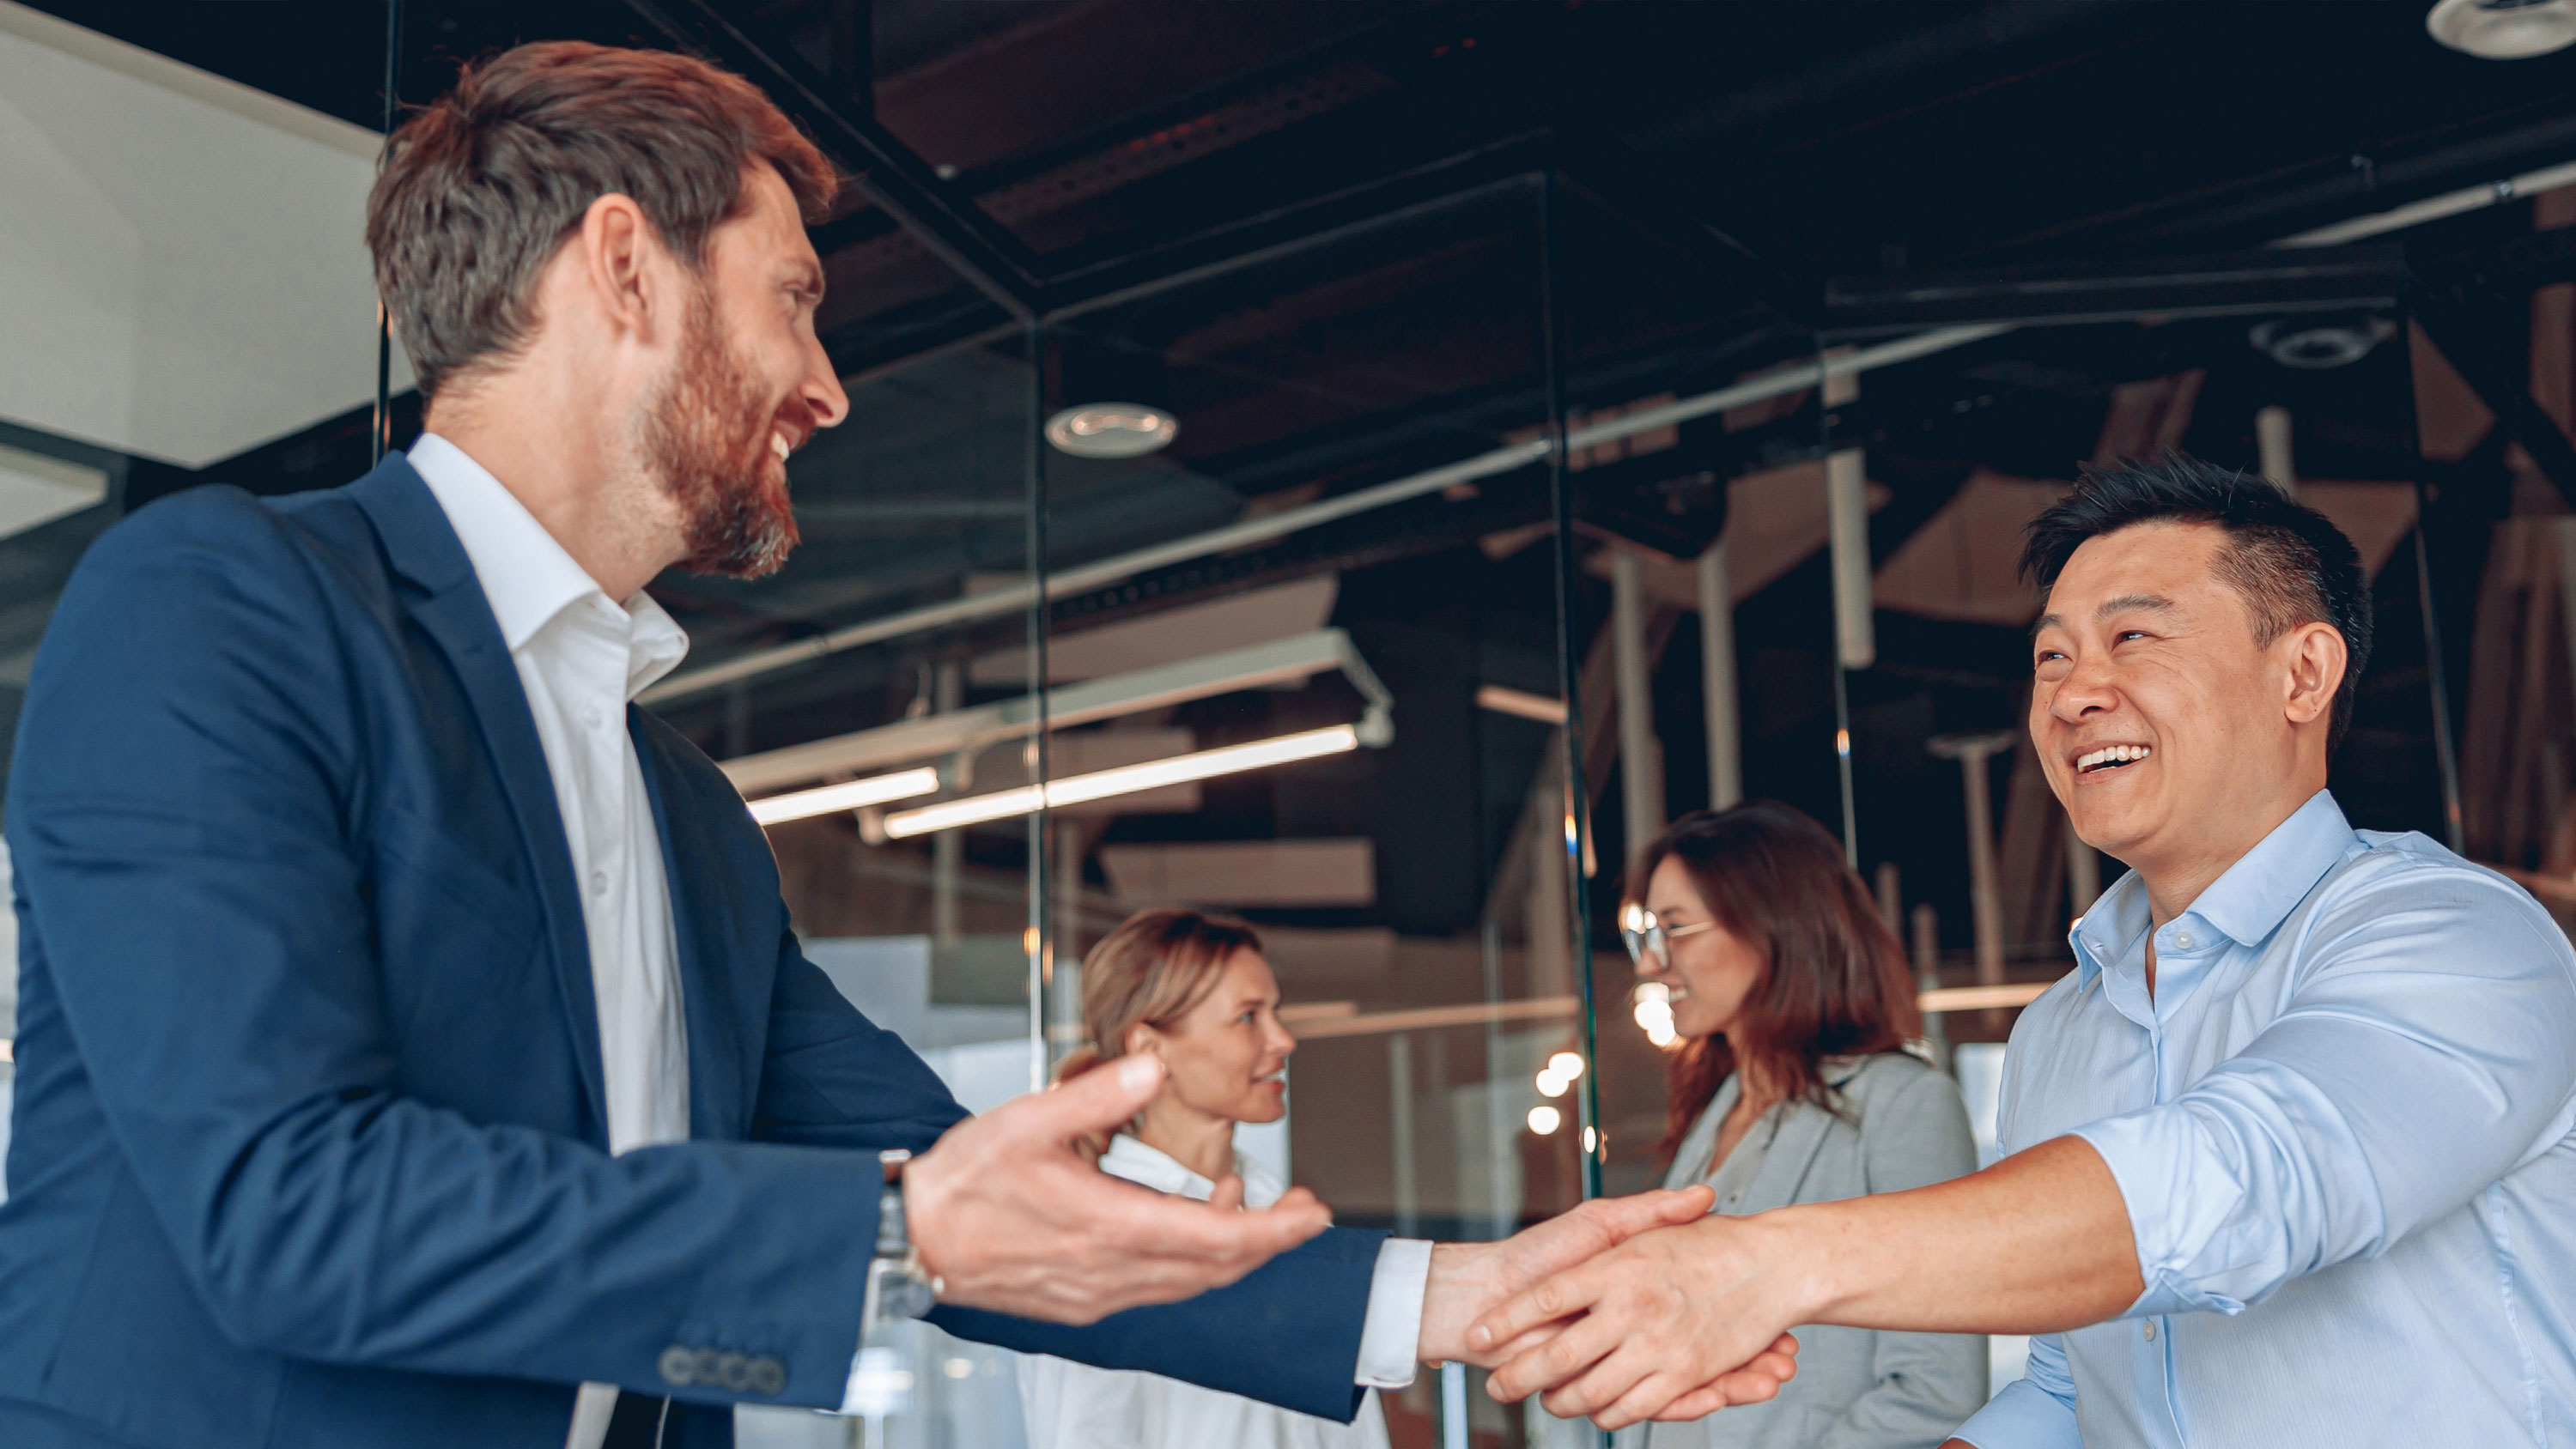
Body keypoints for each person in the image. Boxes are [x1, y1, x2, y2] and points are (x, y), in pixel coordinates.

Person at [0, 40, 1795, 1449]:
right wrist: (909, 1225)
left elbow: (1004, 1207)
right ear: (622, 267)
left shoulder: (687, 818)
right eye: (795, 297)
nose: (830, 383)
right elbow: (283, 1201)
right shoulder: (223, 605)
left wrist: (1450, 1295)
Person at [1467, 457, 2576, 1446]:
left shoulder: (2455, 937)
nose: (2075, 692)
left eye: (2133, 637)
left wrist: (1771, 1263)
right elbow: (2071, 1380)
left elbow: (2255, 1178)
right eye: (2051, 656)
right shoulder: (2061, 1028)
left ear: (2303, 674)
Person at [1615, 805, 1983, 1449]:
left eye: (1674, 929)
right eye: (1648, 934)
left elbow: (1936, 1391)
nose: (1651, 964)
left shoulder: (1903, 1104)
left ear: (1770, 926)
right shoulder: (1715, 1113)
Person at [1019, 909, 1391, 1449]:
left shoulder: (1290, 1220)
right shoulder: (1096, 1237)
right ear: (1150, 1048)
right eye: (1247, 1017)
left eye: (1275, 1013)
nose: (1283, 1040)